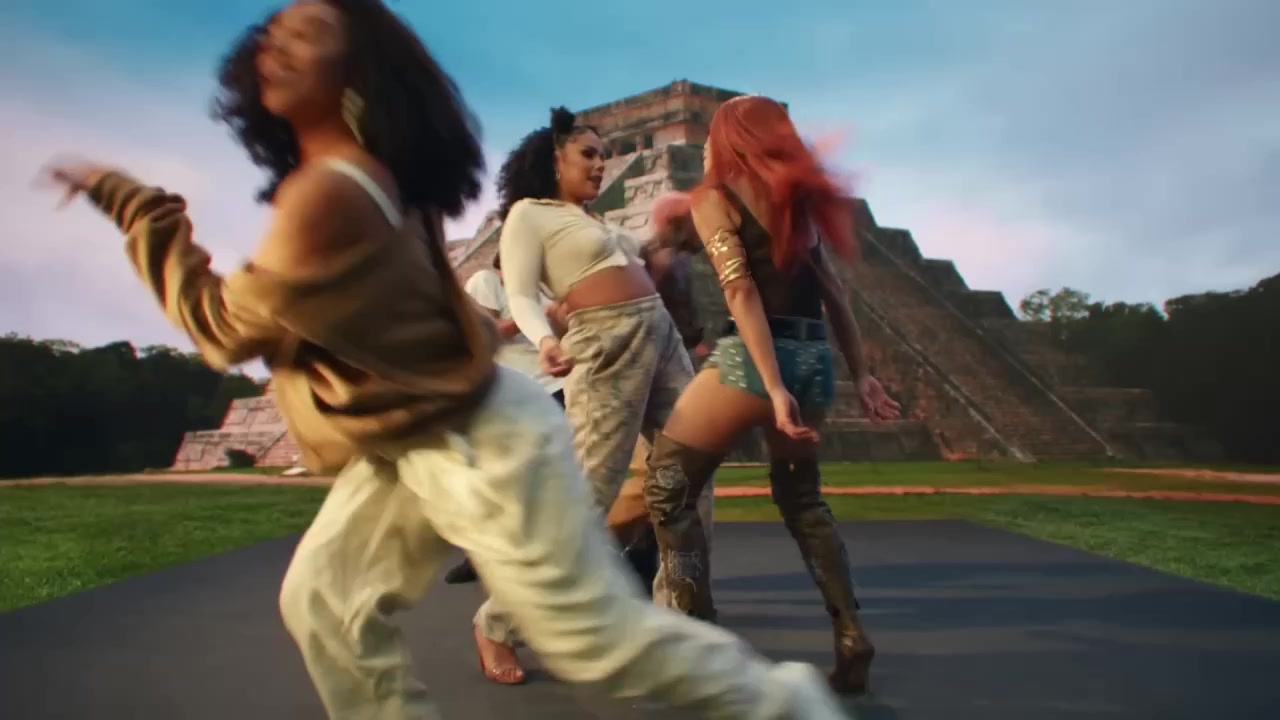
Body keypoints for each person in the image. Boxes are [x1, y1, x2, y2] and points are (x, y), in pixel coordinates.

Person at [38, 4, 853, 717]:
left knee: (593, 637)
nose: (275, 46)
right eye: (272, 33)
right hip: (428, 432)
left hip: (470, 433)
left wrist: (132, 202)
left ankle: (782, 704)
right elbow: (482, 295)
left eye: (308, 32)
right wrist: (530, 331)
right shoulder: (379, 183)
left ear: (358, 73)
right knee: (325, 602)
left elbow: (221, 327)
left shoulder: (340, 190)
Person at [642, 94, 903, 695]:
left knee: (667, 488)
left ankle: (699, 640)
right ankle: (850, 632)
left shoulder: (716, 197)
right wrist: (863, 376)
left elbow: (740, 293)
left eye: (713, 134)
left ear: (729, 139)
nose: (705, 145)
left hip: (756, 361)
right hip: (816, 361)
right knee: (802, 499)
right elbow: (836, 297)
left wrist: (774, 386)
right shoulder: (797, 207)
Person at [472, 106, 699, 682]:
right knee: (588, 493)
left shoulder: (592, 219)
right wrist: (545, 339)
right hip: (604, 344)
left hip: (661, 334)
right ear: (553, 161)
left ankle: (677, 616)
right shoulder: (529, 214)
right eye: (588, 155)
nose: (601, 164)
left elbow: (647, 258)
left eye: (604, 155)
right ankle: (498, 621)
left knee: (690, 470)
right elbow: (520, 294)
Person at [441, 253, 564, 587]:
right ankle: (483, 556)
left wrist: (559, 315)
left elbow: (562, 332)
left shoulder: (542, 290)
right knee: (502, 476)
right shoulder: (486, 282)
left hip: (557, 386)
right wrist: (533, 315)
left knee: (551, 476)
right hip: (512, 391)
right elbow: (488, 334)